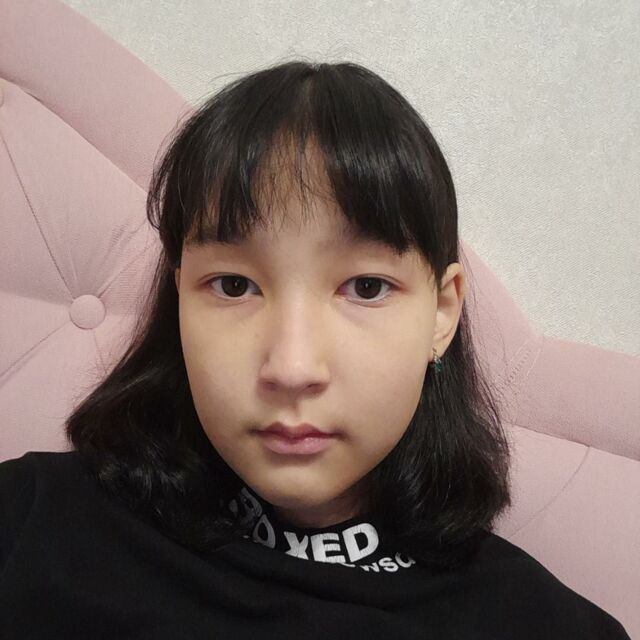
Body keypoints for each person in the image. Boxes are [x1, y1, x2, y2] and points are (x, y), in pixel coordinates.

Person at [0, 60, 630, 639]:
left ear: (442, 313)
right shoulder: (30, 521)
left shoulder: (546, 626)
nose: (292, 368)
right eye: (233, 285)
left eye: (366, 287)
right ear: (180, 299)